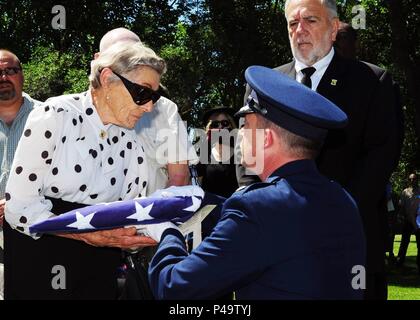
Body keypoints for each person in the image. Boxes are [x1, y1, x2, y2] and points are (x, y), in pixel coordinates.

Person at [144, 66, 366, 300]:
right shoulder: (342, 199)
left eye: (245, 127)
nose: (238, 136)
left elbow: (174, 287)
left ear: (266, 140)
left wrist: (169, 232)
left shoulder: (256, 208)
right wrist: (199, 199)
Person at [241, 0, 398, 300]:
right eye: (292, 23)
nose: (299, 31)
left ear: (335, 27)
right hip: (274, 244)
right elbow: (248, 161)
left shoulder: (372, 82)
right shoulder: (262, 84)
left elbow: (379, 160)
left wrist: (325, 214)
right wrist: (265, 212)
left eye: (310, 20)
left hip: (346, 244)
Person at [3, 42, 162, 299]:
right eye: (142, 93)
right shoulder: (55, 115)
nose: (149, 107)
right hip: (39, 262)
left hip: (98, 271)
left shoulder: (133, 143)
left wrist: (139, 237)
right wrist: (88, 234)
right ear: (108, 79)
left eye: (154, 97)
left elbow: (133, 214)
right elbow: (18, 208)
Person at [97, 28, 198, 194]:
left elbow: (179, 177)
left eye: (135, 56)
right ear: (99, 61)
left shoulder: (165, 109)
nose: (129, 64)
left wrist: (153, 216)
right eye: (121, 57)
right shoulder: (70, 112)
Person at [0, 49, 41, 296]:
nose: (4, 77)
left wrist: (16, 203)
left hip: (37, 236)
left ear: (22, 75)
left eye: (10, 70)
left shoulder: (50, 116)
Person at [196, 106, 239, 198]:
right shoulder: (204, 154)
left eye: (225, 123)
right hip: (211, 208)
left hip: (237, 207)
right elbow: (198, 183)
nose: (220, 127)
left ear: (231, 125)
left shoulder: (241, 152)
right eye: (215, 125)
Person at [396, 173, 420, 274]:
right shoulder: (405, 192)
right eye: (410, 179)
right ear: (408, 180)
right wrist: (400, 216)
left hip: (418, 220)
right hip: (407, 220)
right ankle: (400, 261)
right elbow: (401, 206)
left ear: (417, 180)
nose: (412, 181)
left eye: (414, 179)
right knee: (404, 241)